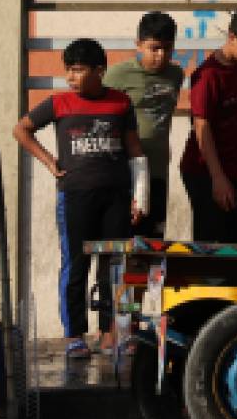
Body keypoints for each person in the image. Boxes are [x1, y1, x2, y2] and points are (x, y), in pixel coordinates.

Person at [13, 38, 146, 359]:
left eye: (78, 70)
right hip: (74, 198)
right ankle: (74, 334)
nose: (71, 78)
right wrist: (48, 161)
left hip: (116, 197)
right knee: (75, 265)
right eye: (68, 71)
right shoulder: (59, 103)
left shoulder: (121, 103)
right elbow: (21, 130)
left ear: (99, 71)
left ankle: (111, 332)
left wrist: (140, 196)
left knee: (115, 267)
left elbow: (134, 151)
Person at [181, 6, 237, 244]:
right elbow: (202, 127)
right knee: (214, 244)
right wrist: (217, 178)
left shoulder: (236, 70)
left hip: (229, 170)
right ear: (232, 37)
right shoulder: (207, 76)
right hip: (205, 171)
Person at [103, 12, 184, 238]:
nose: (161, 55)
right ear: (138, 44)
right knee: (125, 240)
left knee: (154, 241)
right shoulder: (117, 76)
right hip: (126, 172)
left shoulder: (176, 75)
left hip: (158, 169)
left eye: (168, 48)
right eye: (154, 48)